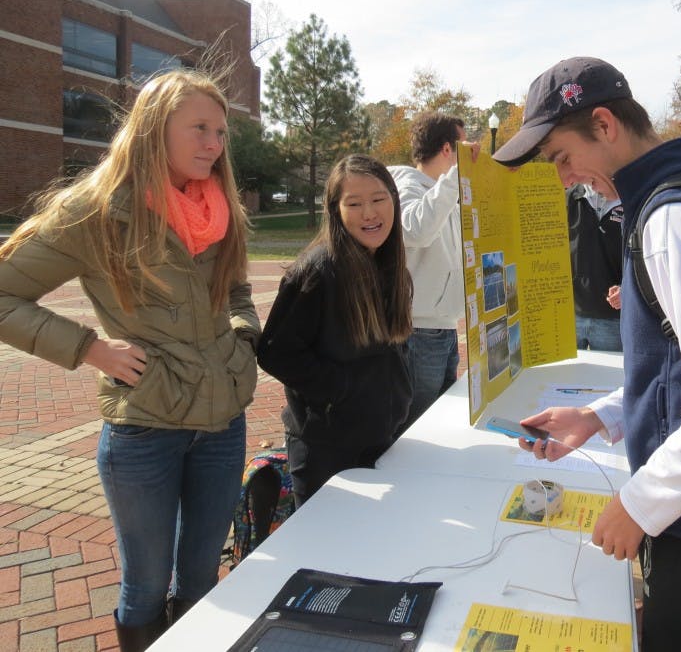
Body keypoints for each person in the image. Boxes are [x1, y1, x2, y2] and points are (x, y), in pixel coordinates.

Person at [493, 57, 681, 651]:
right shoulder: (672, 200)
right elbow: (680, 369)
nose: (563, 179)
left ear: (604, 125)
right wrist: (600, 416)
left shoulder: (675, 221)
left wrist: (639, 504)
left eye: (561, 157)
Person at [0, 70, 260, 651]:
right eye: (199, 128)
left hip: (223, 424)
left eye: (220, 131)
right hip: (144, 430)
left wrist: (242, 336)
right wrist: (89, 347)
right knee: (145, 586)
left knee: (202, 581)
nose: (214, 144)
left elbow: (237, 290)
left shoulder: (218, 208)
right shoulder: (94, 211)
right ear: (152, 127)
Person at [257, 154, 413, 508]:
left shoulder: (386, 261)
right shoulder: (318, 271)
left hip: (381, 436)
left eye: (378, 199)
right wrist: (339, 389)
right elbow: (275, 351)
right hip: (326, 450)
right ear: (335, 211)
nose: (369, 213)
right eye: (354, 204)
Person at [388, 113, 469, 432]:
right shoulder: (409, 186)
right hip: (420, 330)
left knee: (438, 416)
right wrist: (454, 180)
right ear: (448, 149)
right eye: (463, 148)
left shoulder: (441, 191)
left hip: (443, 327)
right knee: (416, 423)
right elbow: (415, 230)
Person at [567, 182, 624, 351]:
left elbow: (641, 256)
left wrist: (627, 288)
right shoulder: (567, 198)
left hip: (612, 318)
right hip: (570, 316)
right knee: (566, 376)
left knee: (610, 377)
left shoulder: (630, 199)